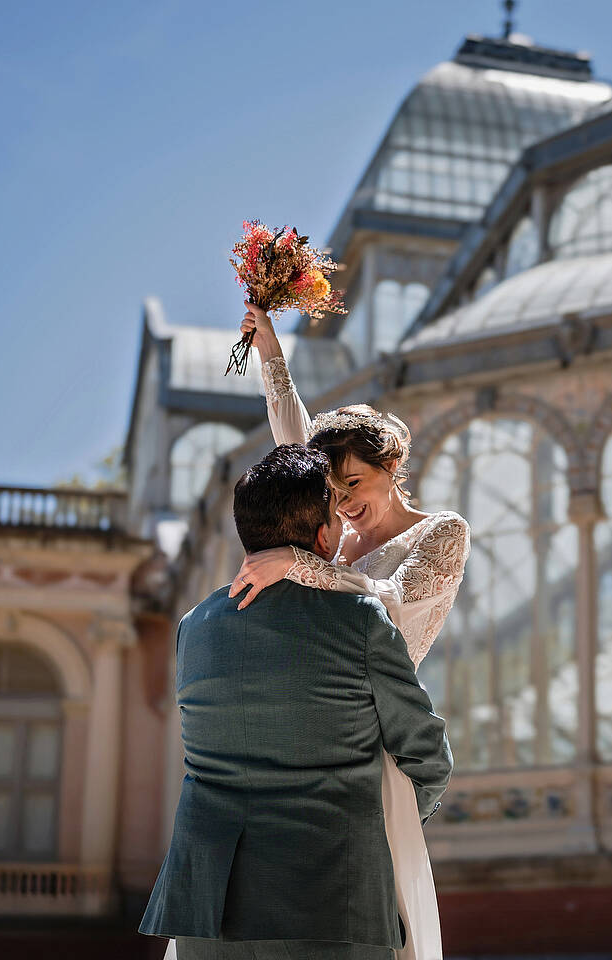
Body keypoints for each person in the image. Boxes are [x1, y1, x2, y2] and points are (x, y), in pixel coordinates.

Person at [140, 444, 452, 960]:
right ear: (324, 536)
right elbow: (428, 758)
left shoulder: (193, 627)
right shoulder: (359, 619)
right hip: (332, 905)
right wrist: (386, 827)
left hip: (207, 909)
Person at [233, 303, 469, 960]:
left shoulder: (441, 532)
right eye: (332, 493)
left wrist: (299, 564)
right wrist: (269, 345)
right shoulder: (330, 542)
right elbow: (291, 427)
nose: (343, 502)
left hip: (374, 740)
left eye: (356, 482)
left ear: (392, 465)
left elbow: (392, 607)